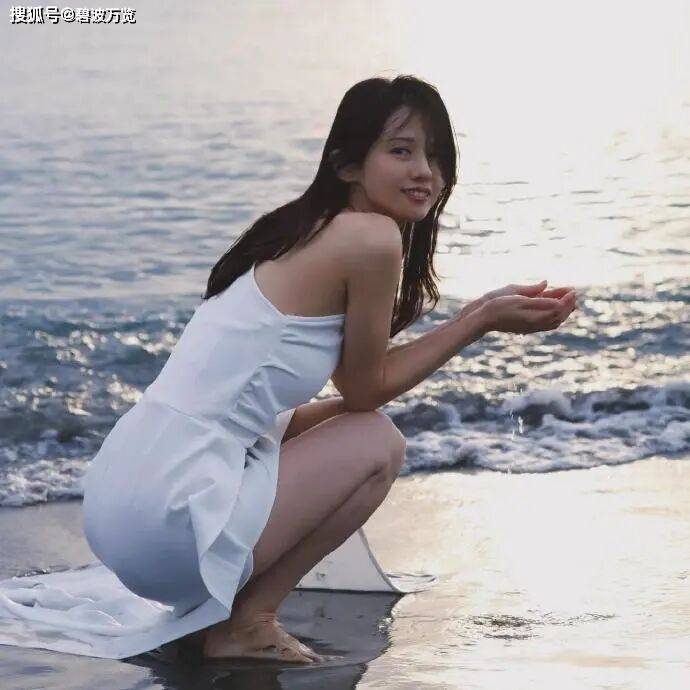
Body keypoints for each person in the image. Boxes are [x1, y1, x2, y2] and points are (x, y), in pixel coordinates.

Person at [81, 74, 578, 664]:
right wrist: (480, 321)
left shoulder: (296, 231)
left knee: (343, 428)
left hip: (121, 505)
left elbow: (277, 412)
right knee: (378, 442)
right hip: (168, 520)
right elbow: (366, 393)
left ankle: (223, 614)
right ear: (347, 164)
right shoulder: (370, 238)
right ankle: (247, 622)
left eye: (437, 157)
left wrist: (474, 313)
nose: (426, 172)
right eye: (402, 151)